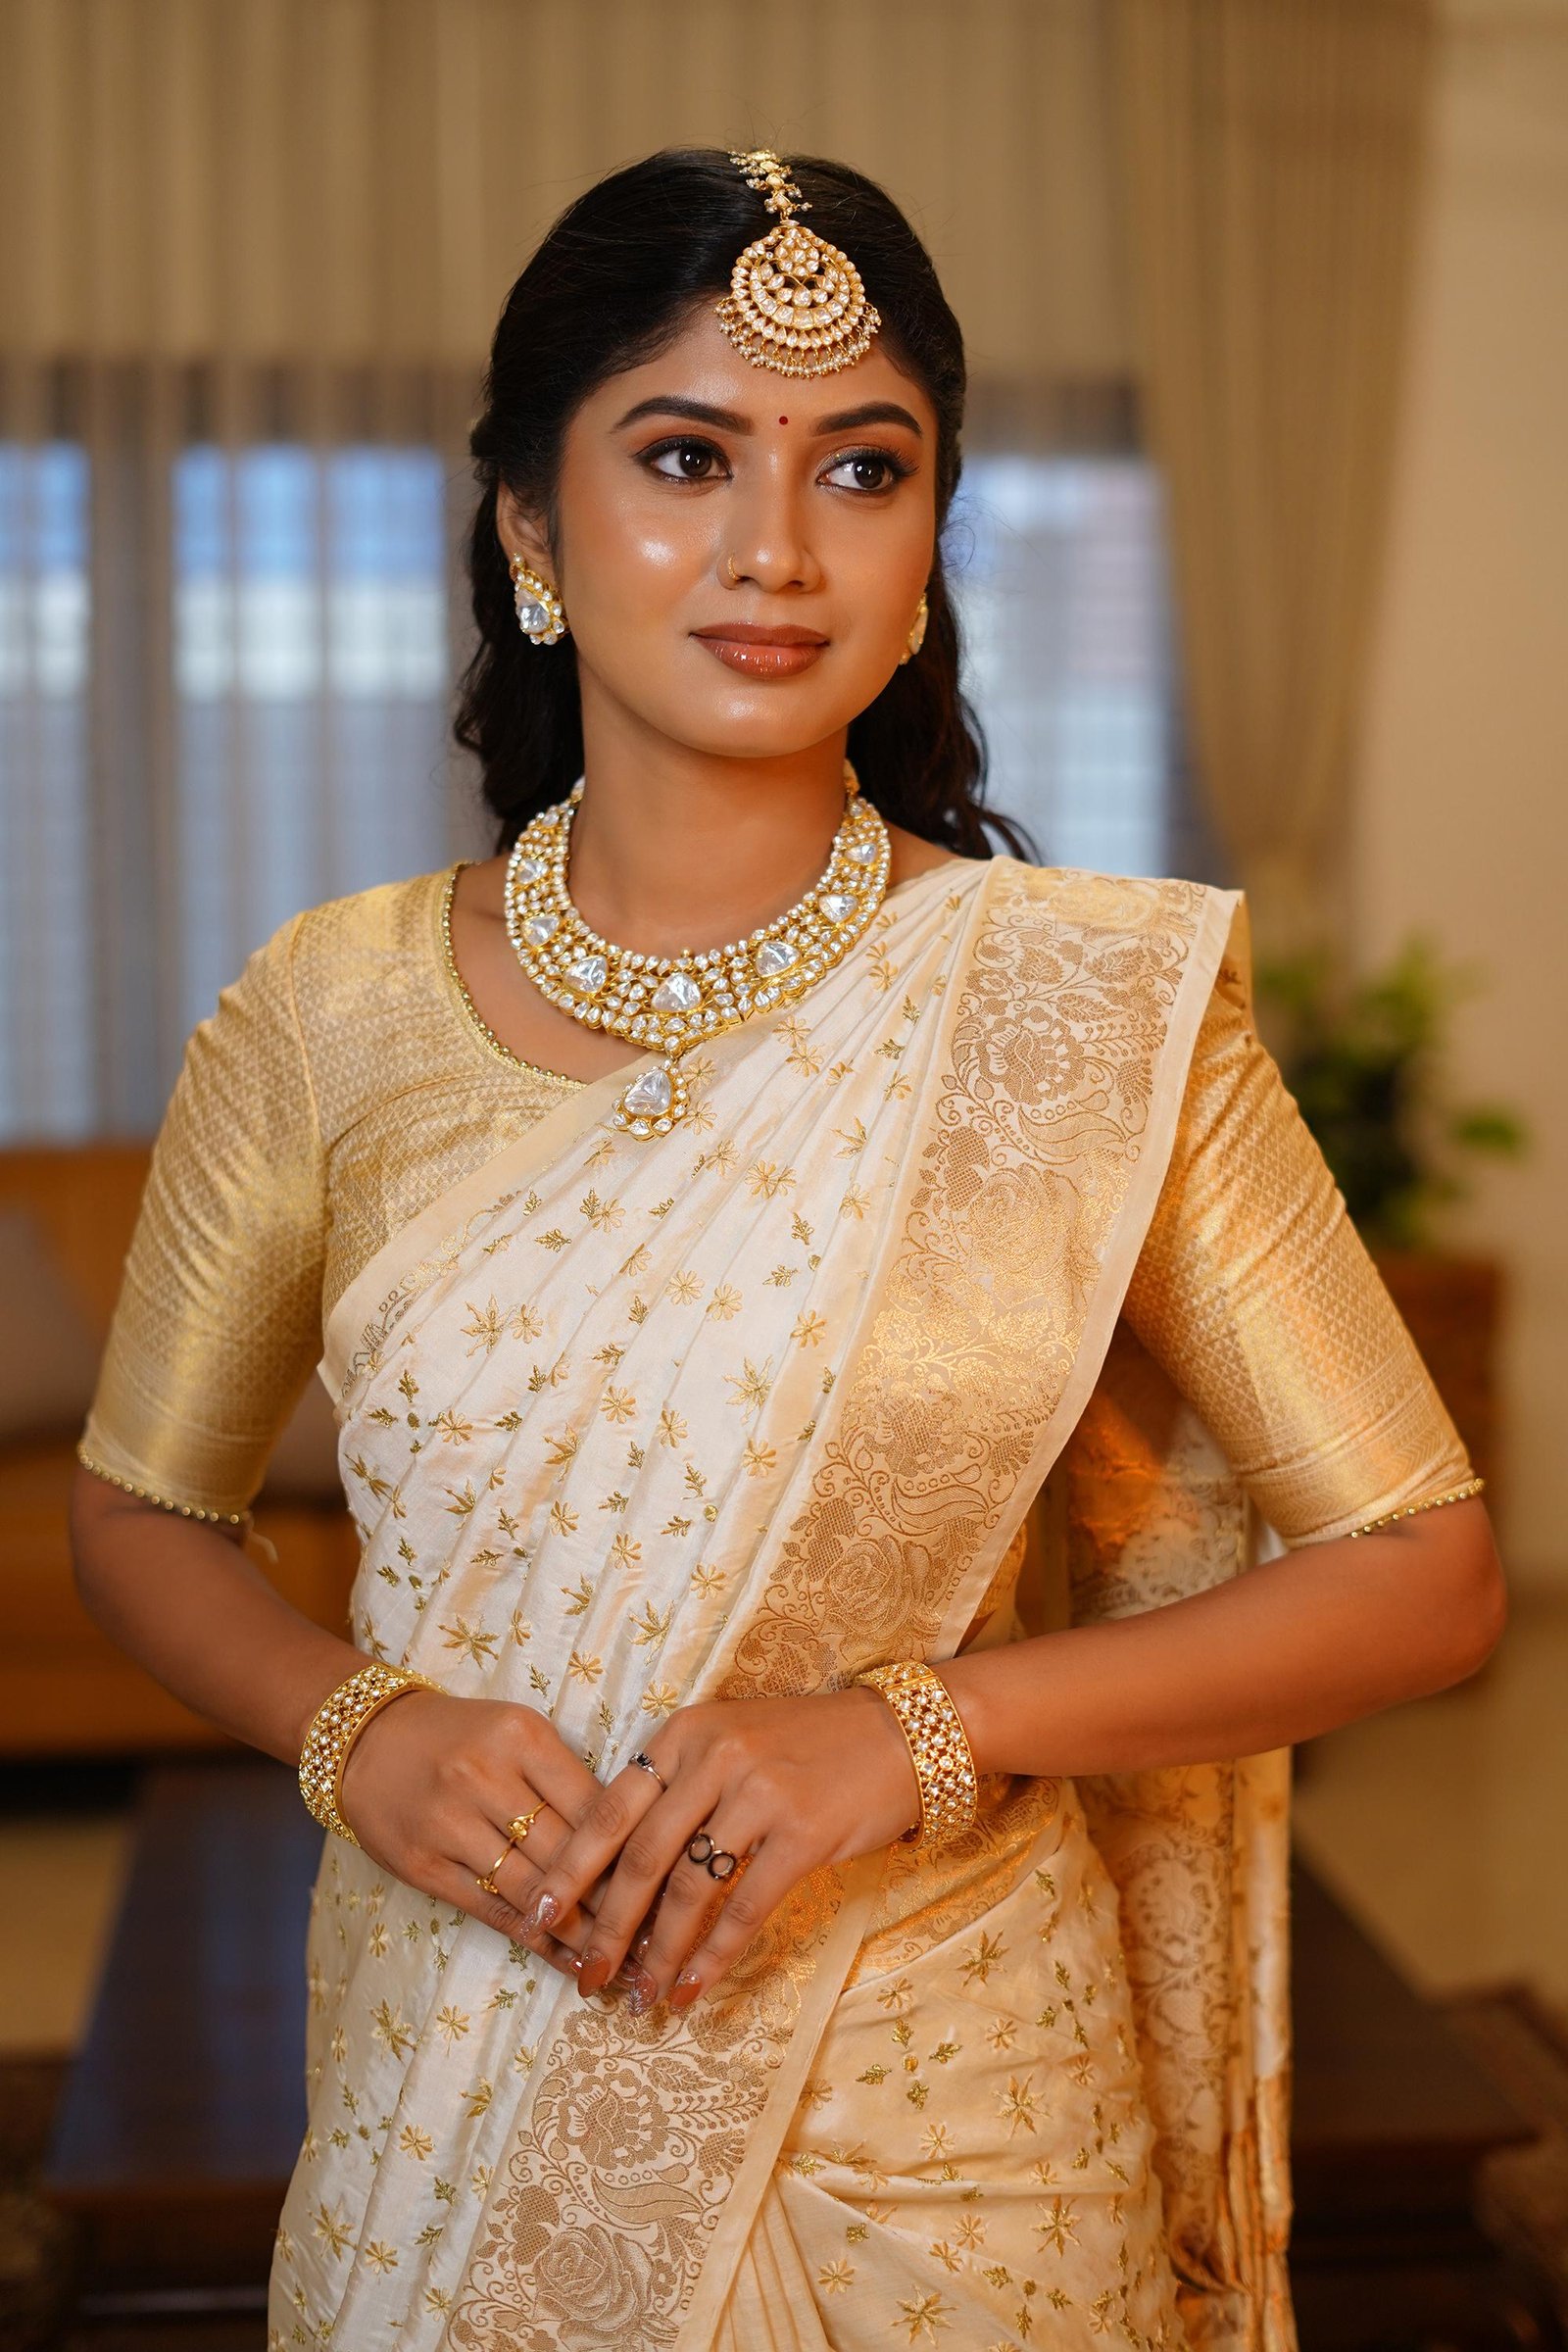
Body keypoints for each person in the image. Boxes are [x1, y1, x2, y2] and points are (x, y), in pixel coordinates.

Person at [70, 148, 1503, 2352]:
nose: (777, 548)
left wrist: (916, 1732)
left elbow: (1421, 1568)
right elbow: (140, 1509)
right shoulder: (329, 1013)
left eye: (861, 468)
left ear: (929, 544)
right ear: (529, 528)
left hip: (960, 2125)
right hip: (461, 2078)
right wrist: (355, 1728)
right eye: (683, 457)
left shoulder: (1084, 1010)